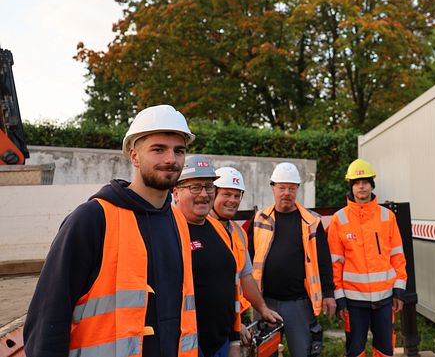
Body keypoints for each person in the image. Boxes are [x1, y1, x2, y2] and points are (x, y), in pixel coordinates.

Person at [24, 104, 199, 357]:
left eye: (179, 150)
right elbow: (48, 319)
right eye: (158, 149)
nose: (171, 159)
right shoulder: (93, 219)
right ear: (134, 156)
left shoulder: (178, 220)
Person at [173, 156, 279, 357]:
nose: (204, 194)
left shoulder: (223, 231)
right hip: (185, 345)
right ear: (176, 192)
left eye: (208, 187)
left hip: (221, 342)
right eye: (195, 187)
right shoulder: (168, 231)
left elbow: (234, 285)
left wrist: (234, 338)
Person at [248, 162, 336, 357]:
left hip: (299, 304)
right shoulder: (259, 219)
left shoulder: (311, 222)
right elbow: (247, 259)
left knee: (302, 352)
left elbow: (323, 260)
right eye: (282, 187)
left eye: (291, 188)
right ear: (273, 188)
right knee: (264, 353)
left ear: (297, 189)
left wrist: (329, 293)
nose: (286, 192)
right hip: (265, 303)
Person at [326, 159, 407, 357]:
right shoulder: (339, 219)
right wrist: (339, 298)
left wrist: (398, 291)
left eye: (365, 181)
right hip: (353, 301)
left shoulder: (388, 217)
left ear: (372, 184)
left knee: (385, 350)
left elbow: (397, 256)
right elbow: (334, 263)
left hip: (385, 298)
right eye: (356, 182)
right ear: (351, 186)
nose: (361, 186)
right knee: (355, 351)